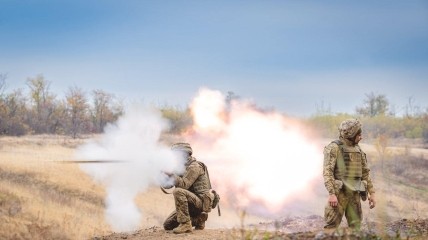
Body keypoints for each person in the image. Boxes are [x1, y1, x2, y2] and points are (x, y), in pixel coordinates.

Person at [323, 119, 376, 229]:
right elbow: (327, 172)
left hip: (354, 194)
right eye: (359, 135)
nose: (361, 137)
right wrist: (332, 194)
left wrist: (372, 193)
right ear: (351, 135)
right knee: (331, 228)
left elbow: (365, 172)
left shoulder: (358, 150)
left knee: (356, 227)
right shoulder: (334, 148)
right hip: (339, 195)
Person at [163, 142, 214, 234]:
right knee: (167, 225)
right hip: (190, 203)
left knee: (178, 191)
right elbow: (168, 185)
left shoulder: (195, 167)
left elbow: (184, 185)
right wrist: (162, 175)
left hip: (200, 202)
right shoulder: (180, 167)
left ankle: (186, 224)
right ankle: (199, 219)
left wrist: (171, 174)